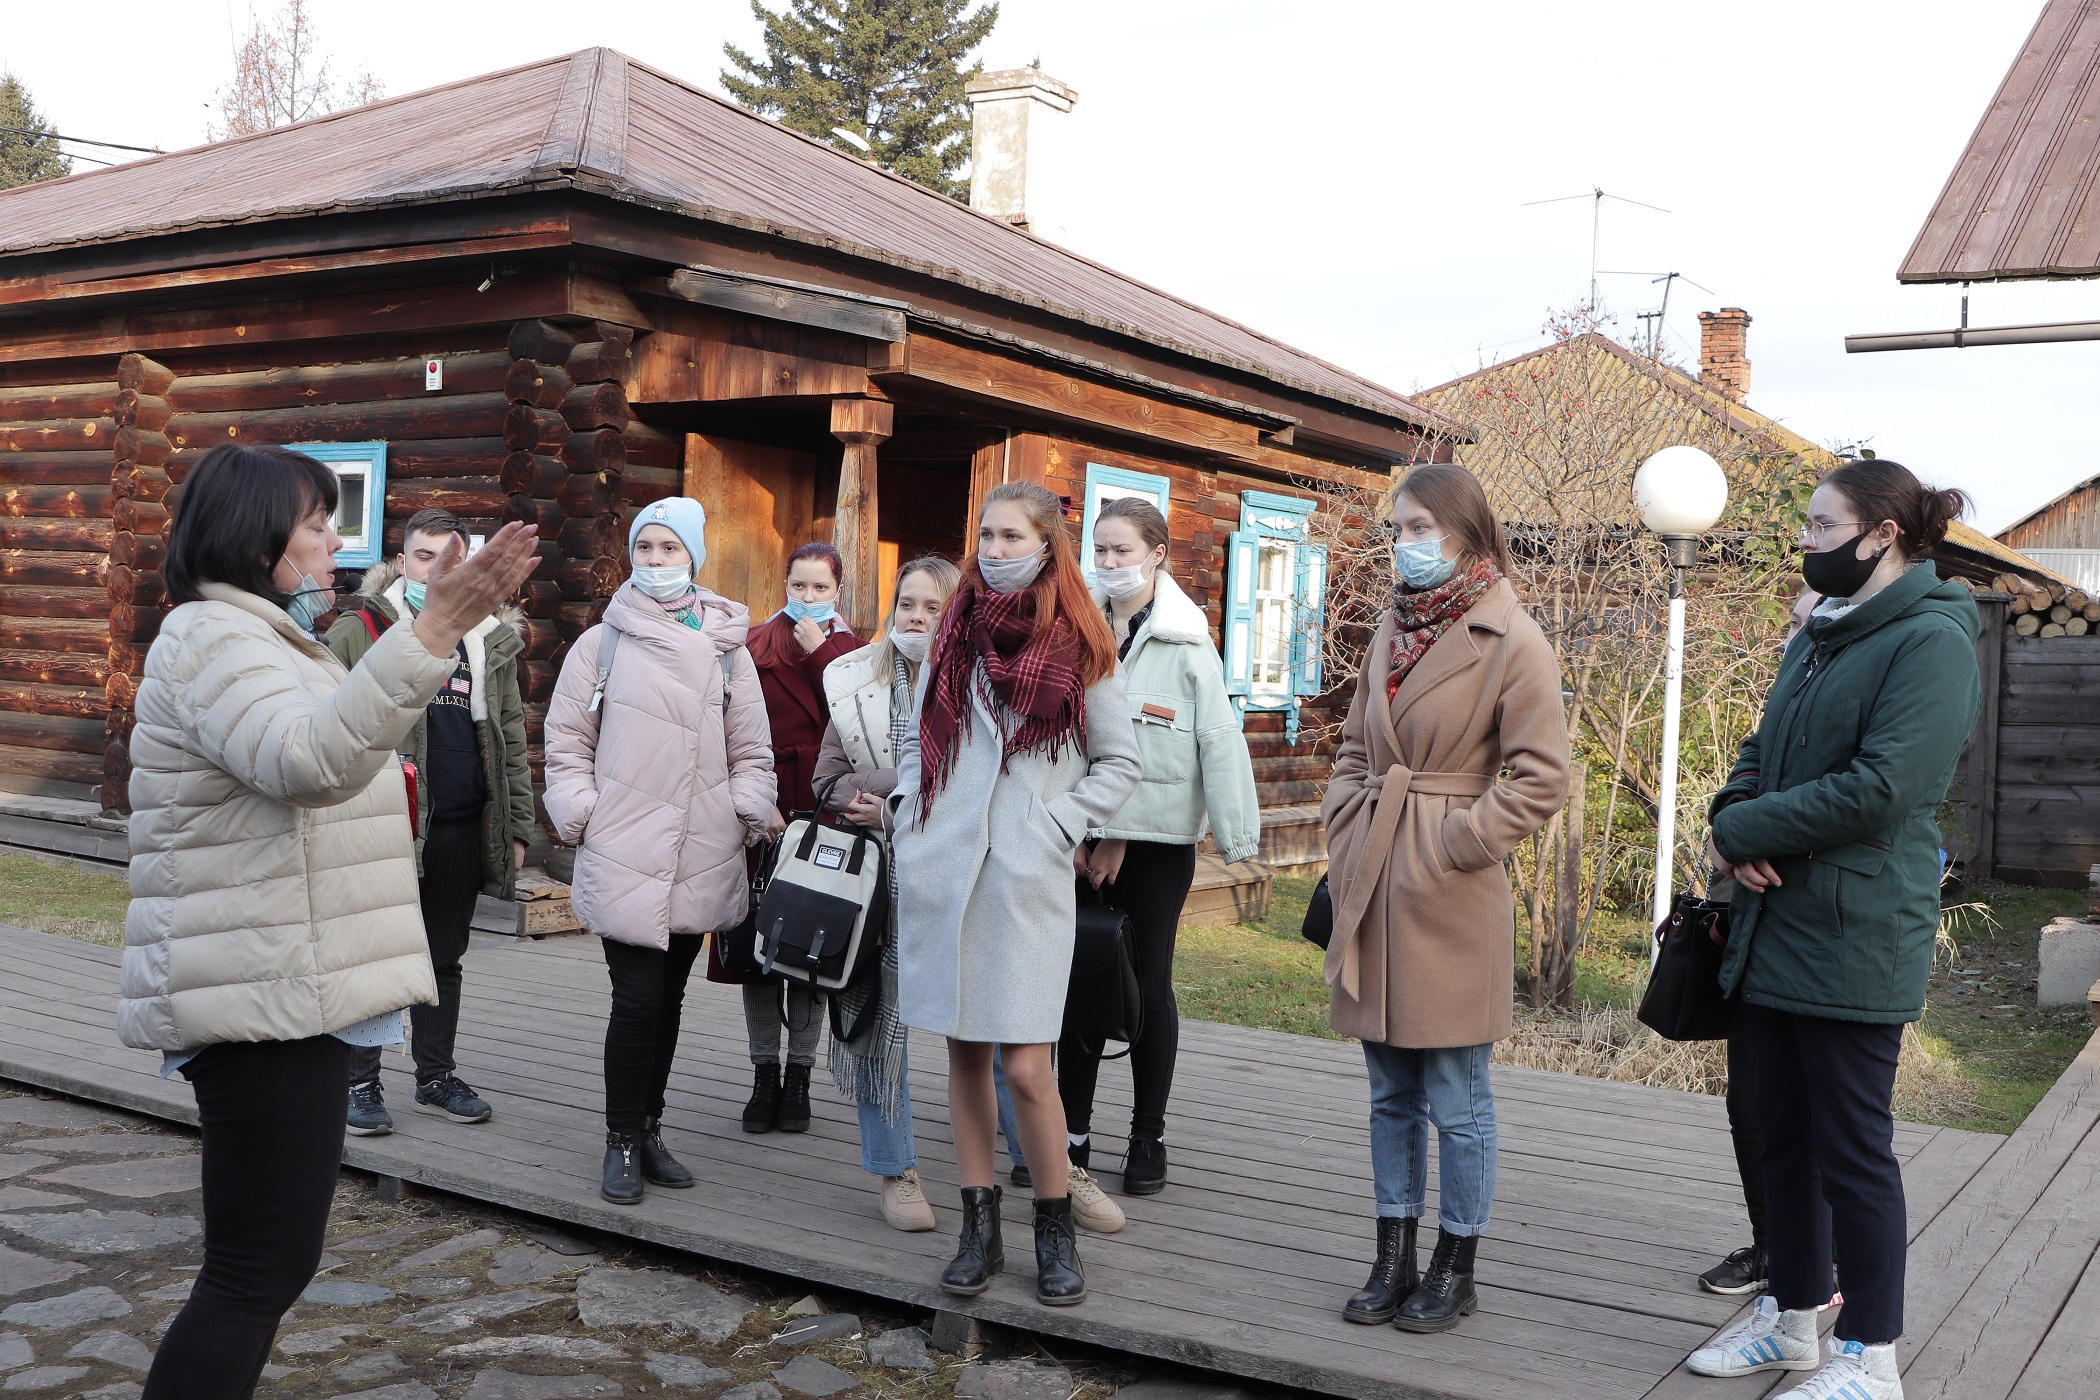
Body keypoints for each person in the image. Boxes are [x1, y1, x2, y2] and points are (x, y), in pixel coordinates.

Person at [124, 444, 537, 1400]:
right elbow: (309, 760)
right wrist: (432, 627)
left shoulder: (268, 639)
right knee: (252, 1273)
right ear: (254, 533)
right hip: (260, 990)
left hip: (285, 982)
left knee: (267, 1267)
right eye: (313, 522)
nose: (330, 542)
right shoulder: (212, 639)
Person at [1688, 462, 1980, 1400]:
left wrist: (1744, 831)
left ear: (1883, 531)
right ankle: (1796, 1321)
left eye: (1820, 526)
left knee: (1853, 1148)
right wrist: (1735, 816)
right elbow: (1756, 749)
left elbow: (1887, 789)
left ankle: (1871, 1357)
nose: (1805, 543)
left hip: (1856, 928)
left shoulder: (1931, 639)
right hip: (1775, 923)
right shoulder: (1820, 631)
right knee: (1780, 1133)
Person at [1323, 463, 1570, 1334]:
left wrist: (1455, 842)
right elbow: (1354, 747)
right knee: (1389, 1091)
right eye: (1398, 529)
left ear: (1467, 530)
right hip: (1374, 875)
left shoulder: (1514, 639)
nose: (1404, 544)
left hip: (1450, 890)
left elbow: (1543, 779)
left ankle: (1455, 1265)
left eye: (1420, 527)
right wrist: (1346, 820)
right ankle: (1391, 1255)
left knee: (1458, 1096)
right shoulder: (1390, 628)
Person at [889, 481, 1141, 1307]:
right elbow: (912, 736)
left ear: (1045, 545)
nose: (993, 552)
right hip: (947, 870)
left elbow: (1121, 765)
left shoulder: (1085, 643)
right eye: (985, 537)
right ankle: (978, 1229)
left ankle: (1055, 1229)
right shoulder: (950, 636)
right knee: (962, 1054)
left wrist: (1055, 827)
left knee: (1029, 1067)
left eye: (1009, 538)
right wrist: (905, 814)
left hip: (1025, 877)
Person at [543, 498, 776, 1206]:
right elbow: (564, 744)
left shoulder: (731, 649)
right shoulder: (601, 644)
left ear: (694, 559)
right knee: (637, 1000)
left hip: (700, 844)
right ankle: (618, 1139)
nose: (654, 562)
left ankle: (648, 1129)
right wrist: (584, 813)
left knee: (669, 1000)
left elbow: (752, 750)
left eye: (669, 550)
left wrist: (745, 808)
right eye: (644, 548)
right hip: (626, 842)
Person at [1061, 496, 1260, 1219]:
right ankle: (1070, 1139)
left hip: (1159, 843)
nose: (1108, 563)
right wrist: (1082, 830)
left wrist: (1237, 836)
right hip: (1074, 835)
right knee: (1076, 981)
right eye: (1100, 551)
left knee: (1148, 985)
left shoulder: (1185, 640)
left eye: (1122, 551)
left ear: (1157, 556)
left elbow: (1215, 739)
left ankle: (1149, 1134)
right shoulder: (1073, 626)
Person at [326, 508, 535, 1137]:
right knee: (375, 954)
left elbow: (510, 736)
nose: (437, 568)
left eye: (452, 557)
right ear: (401, 560)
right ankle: (358, 1081)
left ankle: (434, 1075)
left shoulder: (491, 638)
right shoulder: (358, 630)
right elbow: (326, 728)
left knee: (444, 956)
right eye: (424, 556)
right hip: (385, 824)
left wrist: (517, 826)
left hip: (462, 826)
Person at [812, 554, 960, 1232]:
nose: (918, 618)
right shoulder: (851, 680)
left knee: (988, 1022)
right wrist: (886, 793)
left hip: (961, 877)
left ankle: (1039, 1161)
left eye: (933, 607)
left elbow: (976, 786)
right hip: (878, 880)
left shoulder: (978, 682)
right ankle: (895, 1170)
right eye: (908, 605)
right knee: (879, 1021)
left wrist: (895, 801)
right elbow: (826, 780)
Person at [1698, 583, 1821, 1298]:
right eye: (1792, 621)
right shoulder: (1778, 706)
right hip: (1751, 923)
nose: (1794, 634)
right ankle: (1772, 1247)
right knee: (1748, 1101)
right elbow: (1740, 784)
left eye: (1810, 621)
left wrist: (1750, 838)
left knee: (1819, 1107)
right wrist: (1732, 839)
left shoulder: (1855, 704)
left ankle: (1818, 1258)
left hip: (1818, 934)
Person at [735, 541, 865, 1135]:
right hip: (765, 811)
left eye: (819, 589)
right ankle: (764, 1074)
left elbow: (856, 721)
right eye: (797, 588)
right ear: (784, 586)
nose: (807, 600)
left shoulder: (858, 653)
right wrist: (758, 808)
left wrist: (820, 656)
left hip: (826, 812)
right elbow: (734, 728)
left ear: (838, 591)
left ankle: (801, 1079)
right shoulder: (756, 642)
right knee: (759, 953)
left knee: (813, 945)